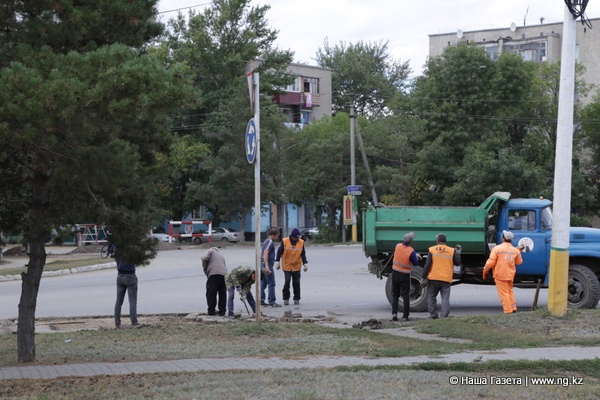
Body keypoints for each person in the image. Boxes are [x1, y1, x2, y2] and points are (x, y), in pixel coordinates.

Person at [421, 234, 462, 319]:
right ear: (445, 241)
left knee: (431, 297)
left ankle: (433, 315)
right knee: (445, 299)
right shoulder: (451, 250)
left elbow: (427, 265)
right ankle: (444, 316)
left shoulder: (432, 249)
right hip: (446, 278)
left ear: (437, 241)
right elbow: (457, 263)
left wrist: (423, 277)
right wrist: (458, 253)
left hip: (434, 278)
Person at [483, 230, 524, 314]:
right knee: (509, 291)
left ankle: (508, 311)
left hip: (500, 274)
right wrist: (519, 251)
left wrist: (485, 269)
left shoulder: (497, 248)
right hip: (510, 275)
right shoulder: (515, 250)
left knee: (504, 293)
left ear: (503, 239)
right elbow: (519, 262)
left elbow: (491, 261)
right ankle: (513, 308)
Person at [274, 228, 308, 305]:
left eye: (298, 237)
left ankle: (297, 298)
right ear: (292, 237)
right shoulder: (285, 241)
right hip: (287, 265)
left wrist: (305, 263)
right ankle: (286, 298)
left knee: (296, 283)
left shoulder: (301, 242)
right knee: (287, 282)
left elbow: (303, 254)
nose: (297, 239)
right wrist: (277, 261)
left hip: (296, 265)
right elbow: (279, 252)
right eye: (296, 237)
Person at [391, 232, 419, 321]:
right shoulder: (411, 251)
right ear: (411, 242)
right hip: (405, 275)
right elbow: (415, 263)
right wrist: (416, 256)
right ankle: (405, 316)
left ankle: (394, 313)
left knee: (395, 294)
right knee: (406, 295)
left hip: (395, 274)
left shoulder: (397, 246)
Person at [202, 246, 228, 316]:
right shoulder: (221, 256)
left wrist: (205, 268)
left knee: (211, 293)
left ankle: (211, 311)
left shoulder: (211, 250)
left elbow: (204, 258)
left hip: (213, 275)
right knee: (222, 294)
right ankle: (222, 312)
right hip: (224, 275)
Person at [114, 259, 139, 329]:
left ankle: (117, 323)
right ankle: (134, 322)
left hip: (120, 276)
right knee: (132, 301)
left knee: (119, 301)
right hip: (130, 276)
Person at [261, 227, 281, 307]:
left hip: (263, 264)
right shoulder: (270, 242)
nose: (277, 238)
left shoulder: (266, 241)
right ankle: (272, 302)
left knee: (263, 283)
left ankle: (261, 300)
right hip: (267, 264)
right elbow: (266, 252)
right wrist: (267, 266)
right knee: (271, 283)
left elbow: (262, 252)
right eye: (277, 236)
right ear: (273, 235)